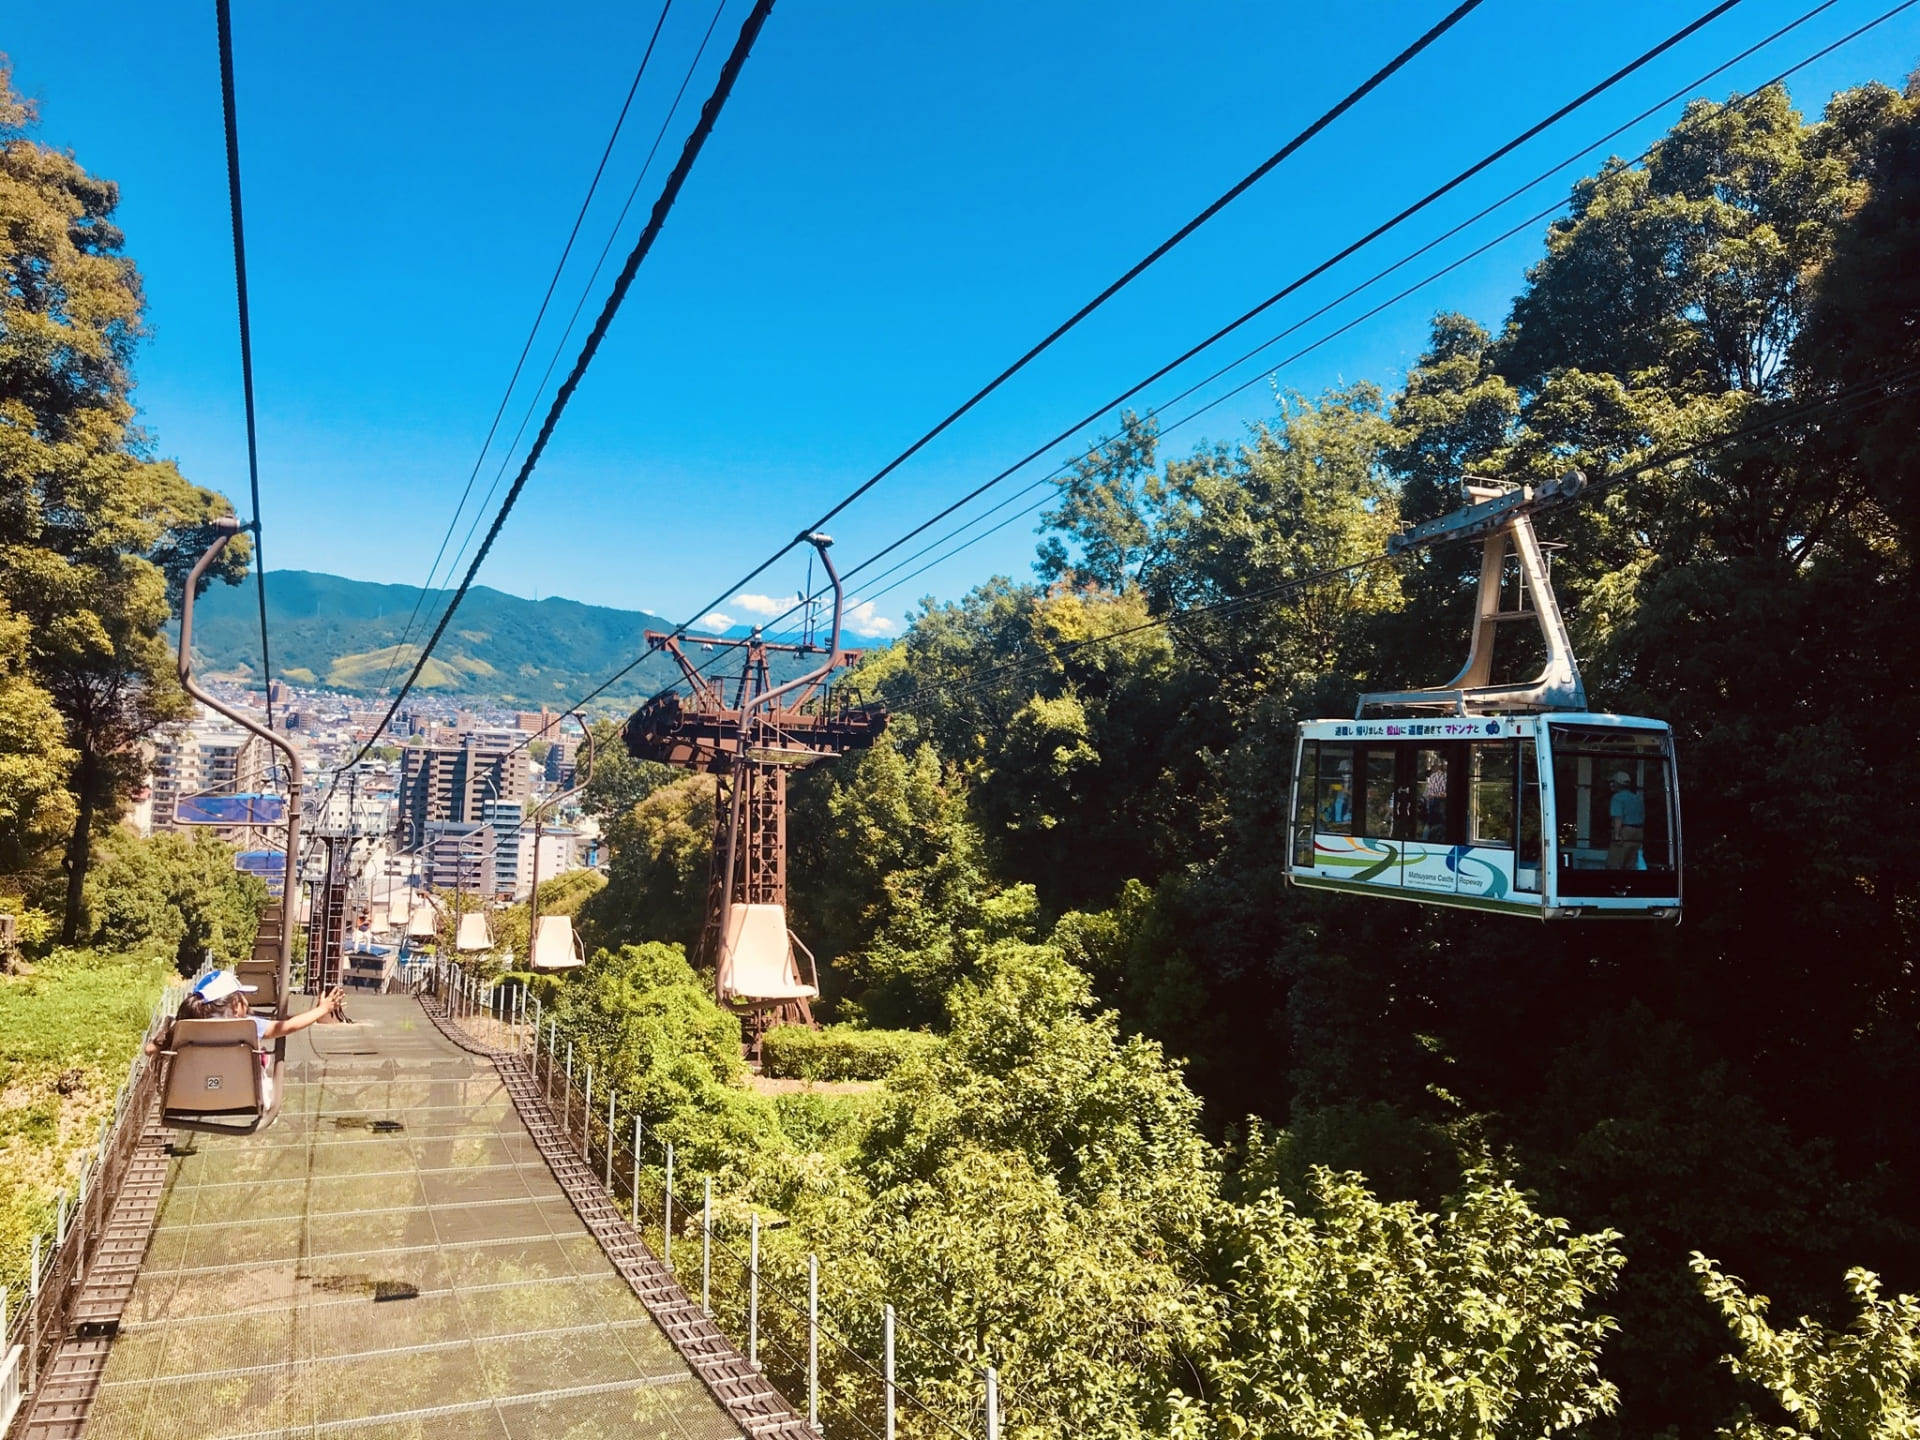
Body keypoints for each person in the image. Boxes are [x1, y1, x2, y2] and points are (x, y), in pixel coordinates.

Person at [149, 972, 345, 1107]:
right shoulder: (247, 1026)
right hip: (243, 1097)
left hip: (191, 1098)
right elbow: (286, 1026)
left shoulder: (184, 1028)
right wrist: (322, 1010)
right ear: (235, 1004)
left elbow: (150, 1049)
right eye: (243, 997)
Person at [1607, 770, 1645, 870]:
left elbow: (1618, 818)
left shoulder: (1617, 798)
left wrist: (1616, 835)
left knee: (1615, 864)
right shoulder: (1636, 798)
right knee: (1631, 864)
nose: (1611, 784)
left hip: (1624, 832)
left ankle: (1615, 885)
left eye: (1613, 782)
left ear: (1617, 784)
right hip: (1638, 833)